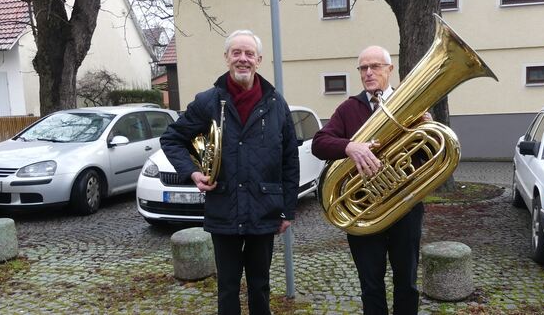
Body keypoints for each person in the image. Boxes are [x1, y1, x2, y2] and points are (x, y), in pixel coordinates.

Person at [160, 29, 299, 315]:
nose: (243, 59)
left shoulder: (276, 104)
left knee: (260, 285)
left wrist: (287, 210)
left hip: (264, 210)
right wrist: (192, 173)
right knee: (227, 287)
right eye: (236, 53)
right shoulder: (208, 101)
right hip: (224, 207)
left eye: (249, 54)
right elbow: (172, 138)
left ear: (259, 60)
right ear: (226, 58)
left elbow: (290, 160)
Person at [312, 45, 429, 315]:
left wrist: (426, 128)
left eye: (375, 66)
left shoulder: (411, 103)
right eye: (363, 68)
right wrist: (350, 147)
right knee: (371, 285)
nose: (368, 72)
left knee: (407, 283)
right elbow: (319, 143)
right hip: (364, 212)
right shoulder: (348, 109)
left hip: (405, 208)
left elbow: (428, 152)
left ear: (389, 69)